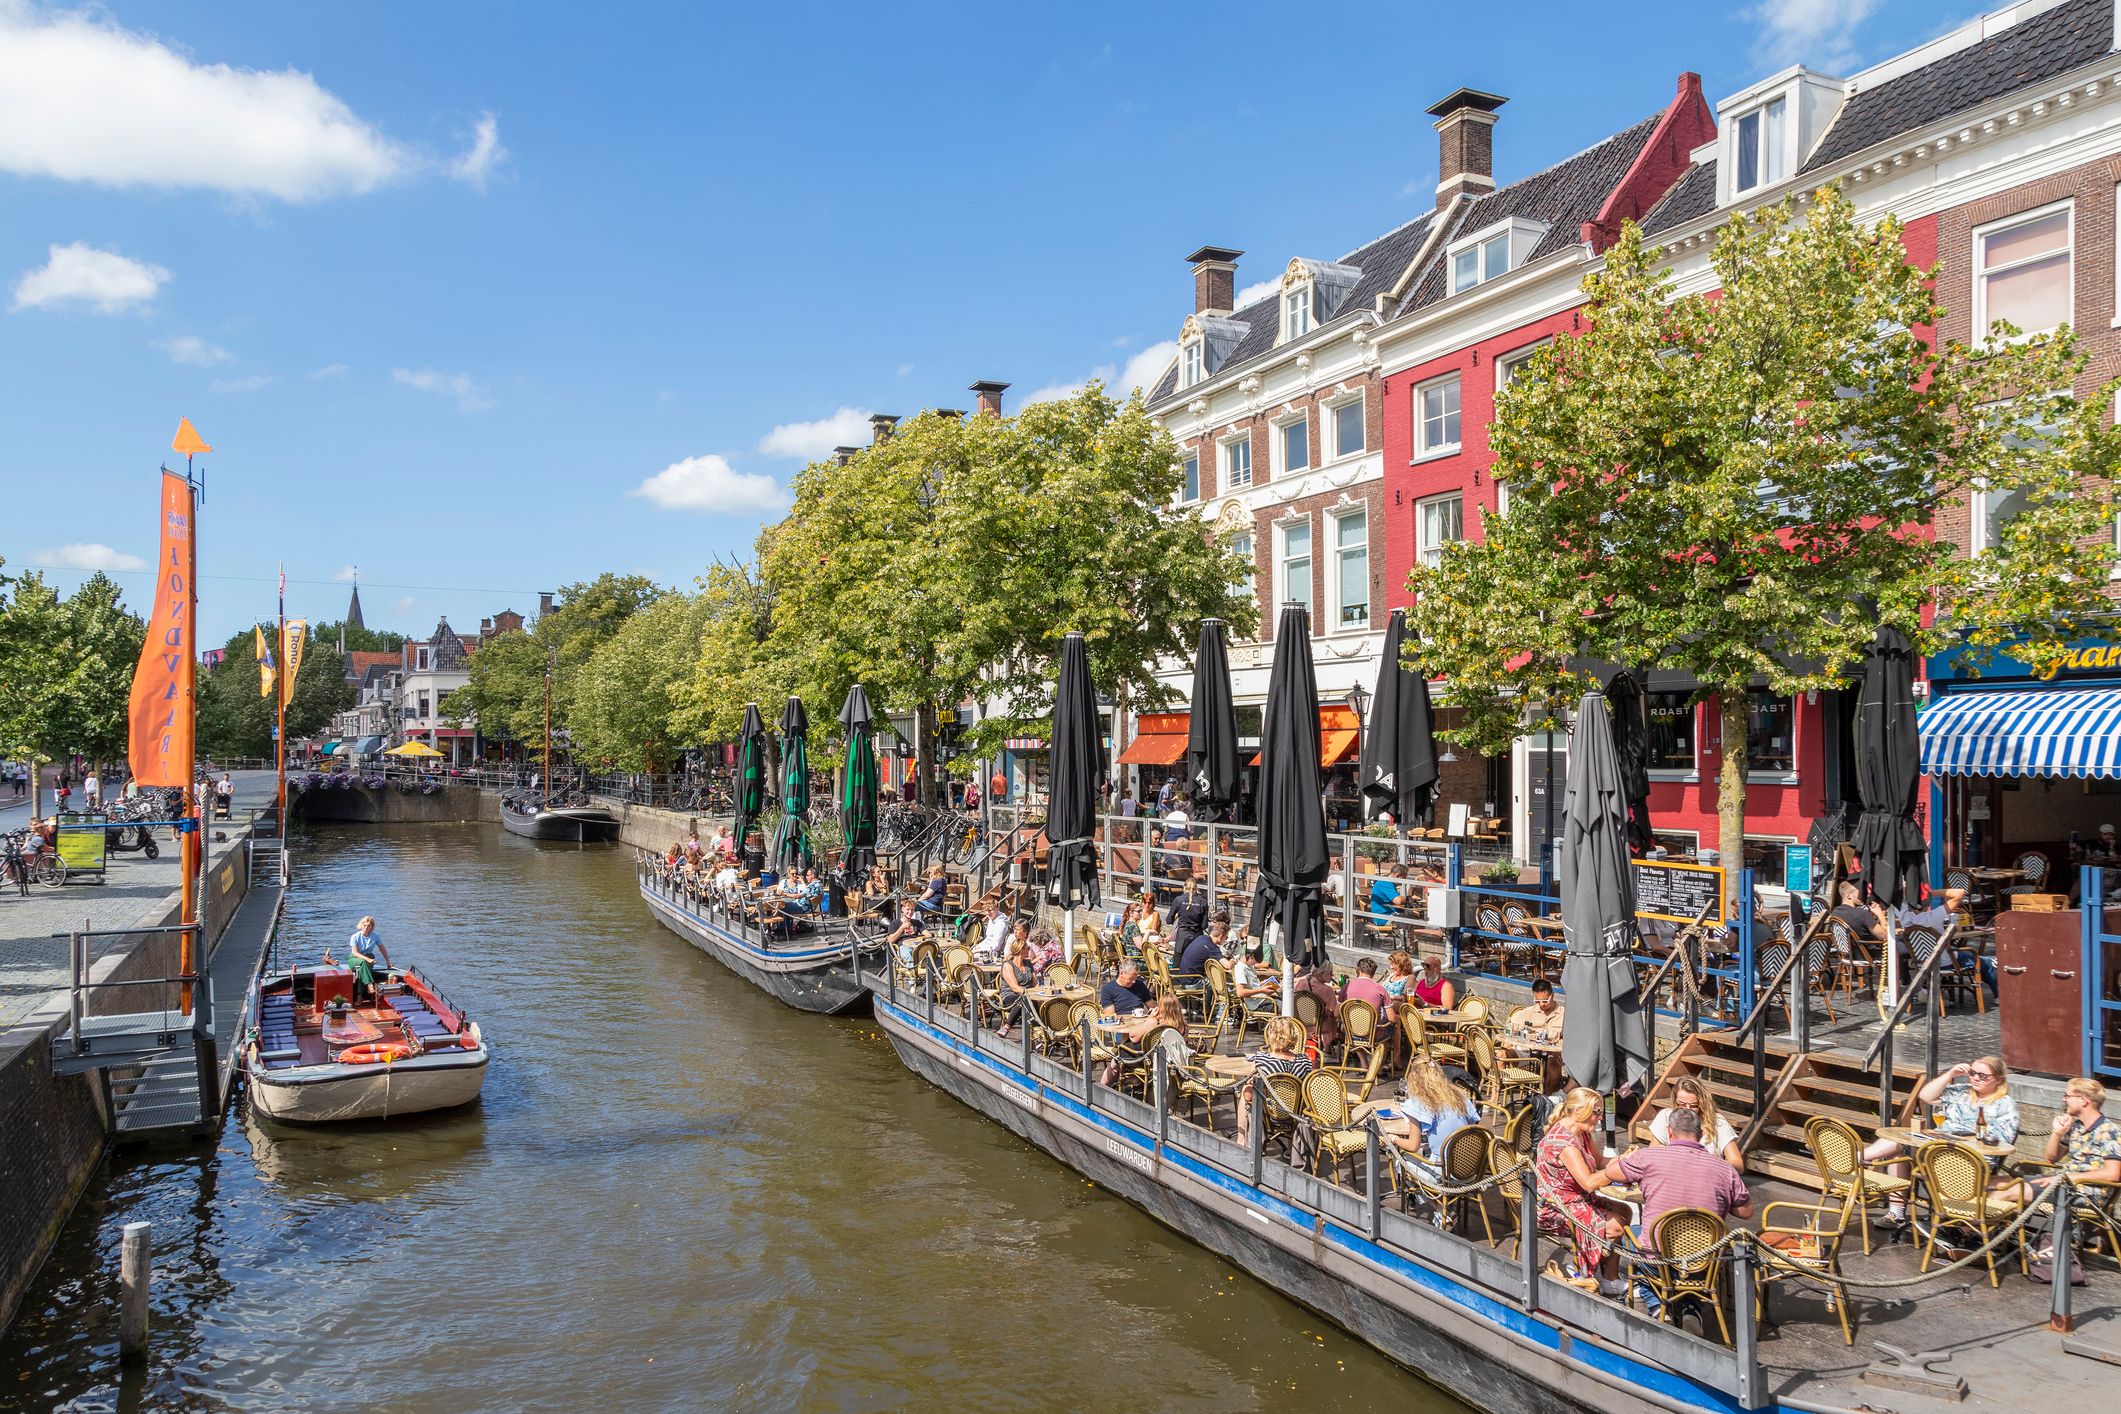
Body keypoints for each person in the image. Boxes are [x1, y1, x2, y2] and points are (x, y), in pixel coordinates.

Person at [1608, 1106, 1752, 1318]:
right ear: (1701, 1134)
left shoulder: (1649, 1157)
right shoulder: (1725, 1170)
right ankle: (1691, 1308)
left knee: (1634, 1234)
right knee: (1698, 1257)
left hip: (1658, 1260)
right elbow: (1746, 1211)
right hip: (1705, 1262)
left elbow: (1611, 1172)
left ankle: (1657, 1305)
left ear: (1669, 1132)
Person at [1861, 1056, 2020, 1228]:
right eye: (1973, 1073)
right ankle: (1896, 1214)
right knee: (1901, 1143)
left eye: (1983, 1076)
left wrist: (1965, 1139)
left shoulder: (2005, 1104)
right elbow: (1925, 1096)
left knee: (1898, 1149)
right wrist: (1950, 1074)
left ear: (1998, 1079)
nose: (1975, 1078)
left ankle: (1857, 1159)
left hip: (1971, 1160)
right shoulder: (1963, 1091)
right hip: (1936, 1150)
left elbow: (2003, 1142)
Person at [1536, 1087, 1627, 1295]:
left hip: (1576, 1198)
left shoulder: (1581, 1133)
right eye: (1596, 1111)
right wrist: (1615, 1171)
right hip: (1555, 1206)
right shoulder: (1564, 1143)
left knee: (1624, 1211)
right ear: (1577, 1112)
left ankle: (1605, 1274)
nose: (1599, 1116)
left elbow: (1599, 1162)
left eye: (1599, 1111)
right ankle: (1592, 1272)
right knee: (1615, 1226)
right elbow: (1588, 1182)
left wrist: (1625, 1161)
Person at [2000, 1077, 2121, 1212]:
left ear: (2084, 1100)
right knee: (1997, 1183)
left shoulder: (2109, 1131)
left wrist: (2067, 1178)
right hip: (2063, 1181)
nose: (2064, 1099)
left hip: (2087, 1192)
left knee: (2009, 1191)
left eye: (2067, 1096)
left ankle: (1983, 1228)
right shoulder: (2076, 1126)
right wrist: (2057, 1133)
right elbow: (2051, 1158)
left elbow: (2113, 1173)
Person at [1393, 1059, 1483, 1180]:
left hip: (1443, 1172)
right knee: (1428, 1150)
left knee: (1401, 1161)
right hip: (1471, 1169)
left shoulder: (1417, 1103)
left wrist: (1393, 1139)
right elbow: (1472, 1128)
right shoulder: (1458, 1095)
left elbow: (1413, 1146)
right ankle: (1431, 1197)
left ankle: (1430, 1197)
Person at [1236, 1016, 1315, 1141]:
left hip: (1269, 1114)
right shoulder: (1305, 1061)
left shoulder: (1261, 1060)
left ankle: (1241, 1140)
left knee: (1246, 1090)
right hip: (1296, 1115)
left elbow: (1250, 1093)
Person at [1644, 1076, 1744, 1168]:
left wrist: (1710, 1164)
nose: (1688, 1110)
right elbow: (1652, 1152)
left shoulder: (1718, 1122)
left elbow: (1737, 1163)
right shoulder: (1665, 1117)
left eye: (1693, 1106)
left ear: (1702, 1103)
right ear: (1675, 1101)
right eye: (1682, 1104)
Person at [994, 937, 1038, 1039]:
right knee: (1023, 1000)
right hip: (1010, 995)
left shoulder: (1028, 964)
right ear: (1021, 950)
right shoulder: (1008, 965)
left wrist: (1040, 993)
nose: (1030, 950)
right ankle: (1007, 1027)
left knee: (1040, 1003)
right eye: (1028, 948)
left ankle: (1039, 1033)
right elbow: (1015, 988)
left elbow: (1035, 983)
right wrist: (1030, 993)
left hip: (1028, 994)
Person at [345, 916, 392, 1004]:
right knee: (364, 962)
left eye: (368, 926)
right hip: (354, 958)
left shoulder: (375, 937)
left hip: (368, 957)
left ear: (372, 927)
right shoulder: (355, 936)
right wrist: (368, 959)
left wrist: (388, 962)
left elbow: (382, 949)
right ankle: (370, 984)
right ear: (361, 925)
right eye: (364, 925)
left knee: (362, 969)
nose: (366, 927)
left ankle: (359, 995)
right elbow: (355, 952)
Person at [1507, 978, 1567, 1043]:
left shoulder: (1564, 1014)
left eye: (1545, 1001)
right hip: (1527, 1050)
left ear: (1552, 996)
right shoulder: (1527, 1012)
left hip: (1552, 1051)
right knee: (1502, 1053)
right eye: (1537, 1001)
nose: (1541, 1004)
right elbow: (1512, 1032)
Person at [1168, 873, 1209, 952]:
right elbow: (1204, 926)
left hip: (1182, 937)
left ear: (1184, 887)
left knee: (1177, 962)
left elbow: (1169, 920)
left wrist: (1178, 915)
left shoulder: (1178, 900)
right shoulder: (1203, 902)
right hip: (1197, 936)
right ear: (1196, 888)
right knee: (1196, 960)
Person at [886, 901, 924, 965]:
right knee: (908, 954)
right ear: (902, 909)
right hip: (903, 946)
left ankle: (930, 973)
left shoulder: (916, 922)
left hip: (916, 945)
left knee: (931, 952)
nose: (910, 912)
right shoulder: (895, 922)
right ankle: (912, 973)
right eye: (908, 909)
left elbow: (927, 934)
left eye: (912, 910)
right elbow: (890, 940)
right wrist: (902, 928)